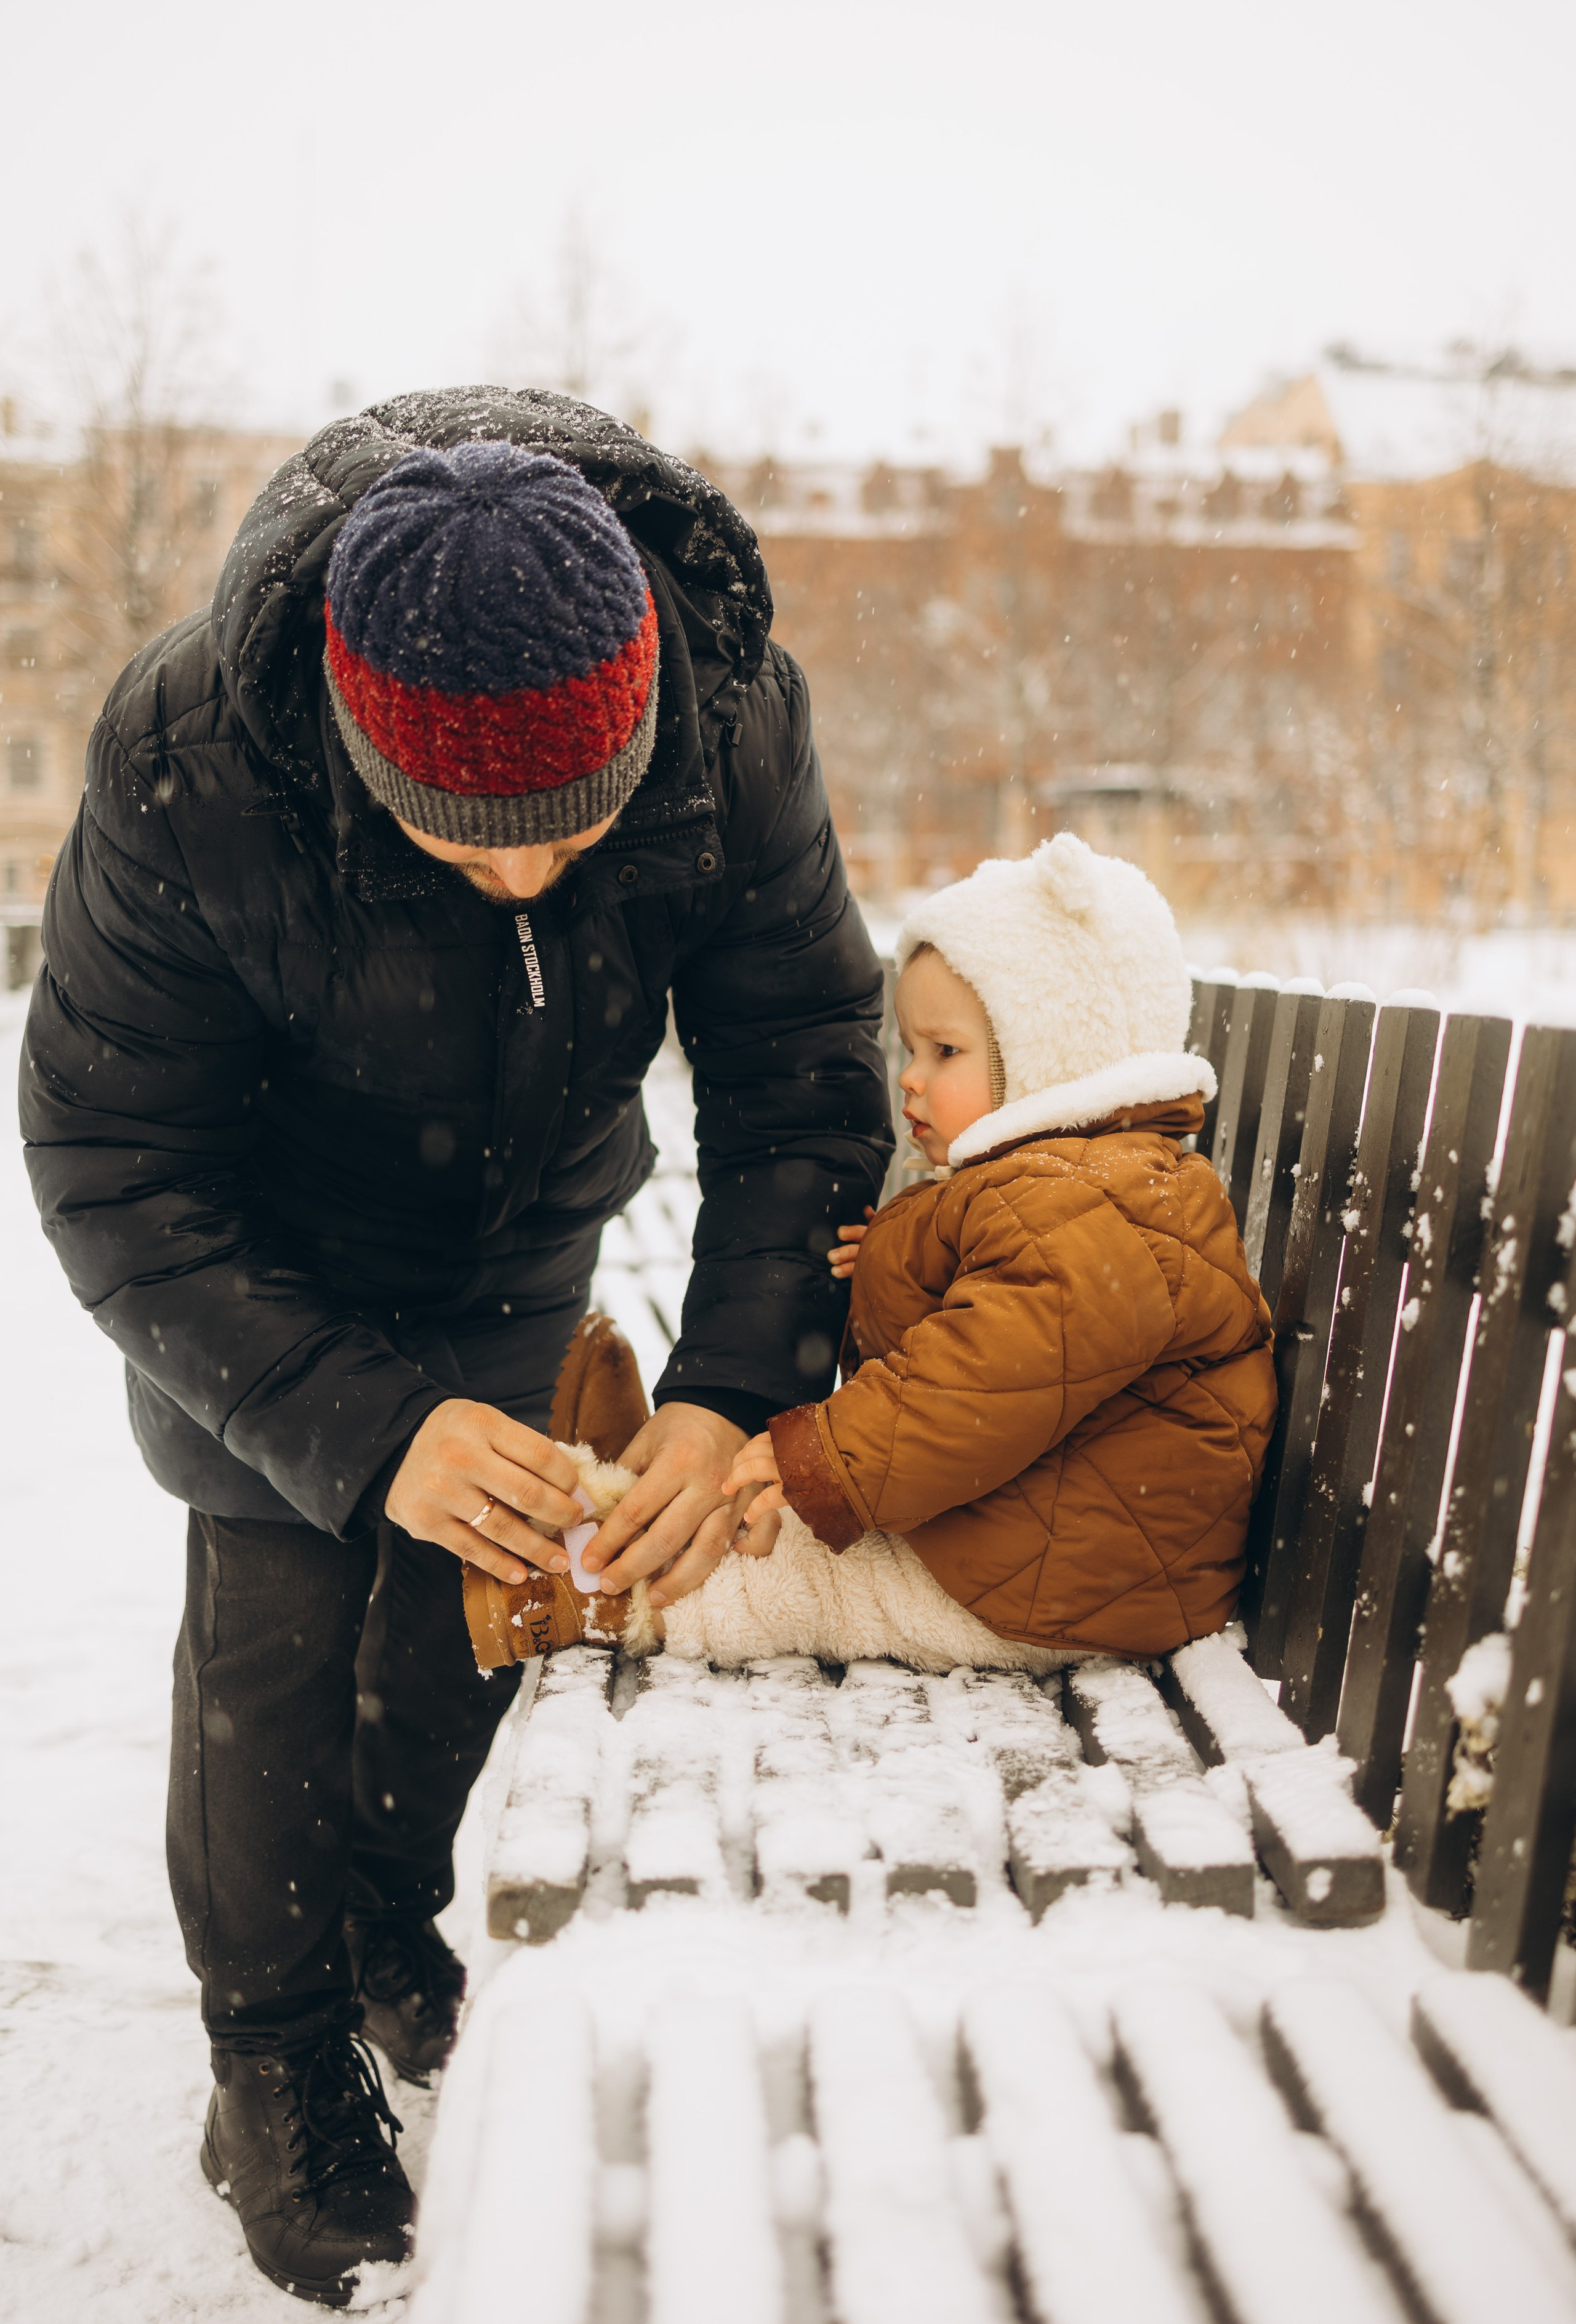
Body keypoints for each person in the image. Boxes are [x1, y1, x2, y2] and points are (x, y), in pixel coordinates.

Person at [19, 390, 890, 2305]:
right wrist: (361, 1425)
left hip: (515, 1218)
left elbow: (805, 1071)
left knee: (468, 1611)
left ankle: (389, 1930)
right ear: (355, 737)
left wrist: (731, 1393)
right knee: (278, 1626)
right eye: (460, 838)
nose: (522, 881)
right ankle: (271, 2067)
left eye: (570, 833)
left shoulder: (733, 724)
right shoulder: (192, 758)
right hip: (259, 1255)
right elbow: (111, 1155)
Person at [593, 832, 1279, 1668]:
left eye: (944, 1052)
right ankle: (620, 1502)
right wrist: (892, 1261)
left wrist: (827, 1455)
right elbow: (1013, 1350)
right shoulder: (1073, 1190)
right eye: (911, 1048)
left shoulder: (1100, 1204)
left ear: (1048, 1057)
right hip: (1043, 1536)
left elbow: (981, 1381)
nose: (910, 1077)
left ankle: (595, 1593)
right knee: (779, 1518)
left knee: (797, 1579)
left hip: (1071, 1590)